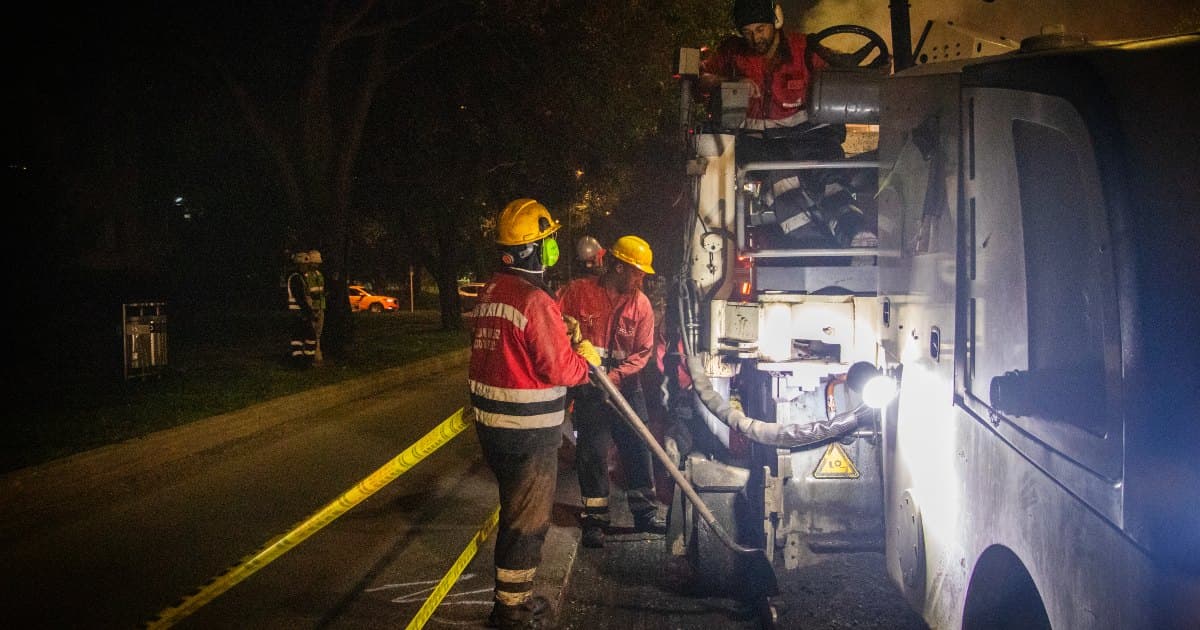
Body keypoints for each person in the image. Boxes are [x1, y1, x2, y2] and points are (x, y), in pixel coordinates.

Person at [470, 198, 601, 630]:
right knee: (527, 526)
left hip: (494, 431)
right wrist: (586, 363)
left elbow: (516, 348)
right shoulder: (534, 300)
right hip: (528, 437)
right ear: (530, 250)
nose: (552, 249)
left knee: (513, 517)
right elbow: (559, 368)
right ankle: (511, 614)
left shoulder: (492, 291)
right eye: (546, 241)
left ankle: (515, 603)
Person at [557, 235, 666, 549]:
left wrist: (615, 377)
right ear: (619, 267)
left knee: (637, 446)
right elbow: (554, 320)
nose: (641, 278)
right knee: (592, 453)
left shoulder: (641, 306)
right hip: (590, 389)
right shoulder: (579, 293)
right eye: (636, 271)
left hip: (626, 389)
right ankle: (596, 520)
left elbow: (643, 353)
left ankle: (645, 512)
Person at [697, 0, 845, 163]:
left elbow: (841, 69)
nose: (755, 38)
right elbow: (701, 79)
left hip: (804, 139)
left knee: (830, 160)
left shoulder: (804, 48)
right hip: (752, 142)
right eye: (747, 32)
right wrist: (731, 82)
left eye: (761, 29)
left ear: (776, 21)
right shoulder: (732, 51)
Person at [285, 251, 317, 368]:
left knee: (297, 338)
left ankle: (299, 361)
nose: (307, 267)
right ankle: (305, 361)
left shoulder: (298, 277)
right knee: (310, 337)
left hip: (297, 313)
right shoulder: (296, 278)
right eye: (305, 265)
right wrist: (308, 312)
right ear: (299, 264)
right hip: (298, 313)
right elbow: (300, 297)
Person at [304, 249, 327, 364]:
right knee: (311, 332)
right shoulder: (306, 276)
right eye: (315, 262)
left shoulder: (319, 275)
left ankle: (317, 354)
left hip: (320, 306)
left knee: (318, 332)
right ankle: (312, 356)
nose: (317, 264)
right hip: (313, 307)